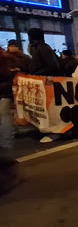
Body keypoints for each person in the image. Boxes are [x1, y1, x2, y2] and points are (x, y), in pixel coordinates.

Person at [0, 48, 22, 196]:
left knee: (5, 117)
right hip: (3, 92)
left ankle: (6, 145)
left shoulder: (4, 59)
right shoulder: (6, 58)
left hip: (3, 93)